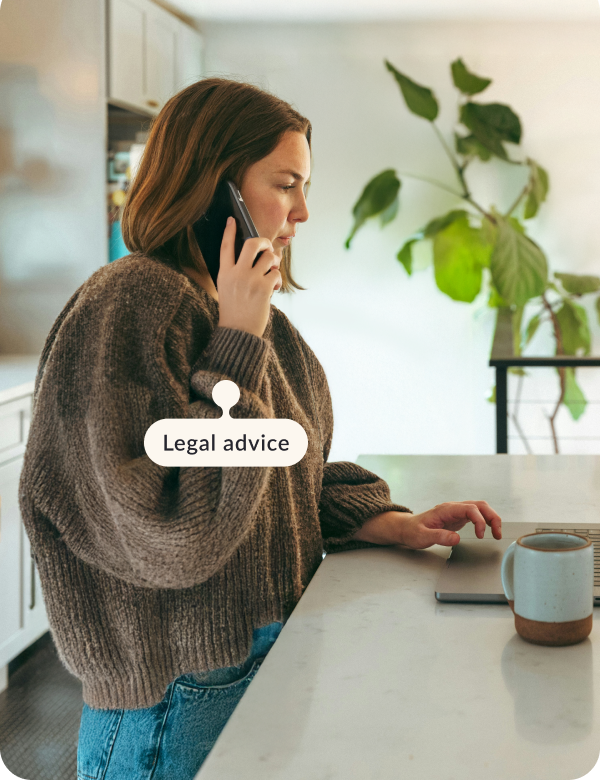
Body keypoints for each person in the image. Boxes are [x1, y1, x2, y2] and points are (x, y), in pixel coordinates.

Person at [18, 77, 502, 780]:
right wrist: (237, 344)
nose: (304, 210)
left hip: (255, 663)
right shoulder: (130, 304)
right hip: (174, 704)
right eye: (285, 184)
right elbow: (172, 535)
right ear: (217, 190)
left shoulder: (252, 323)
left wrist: (385, 520)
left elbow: (282, 473)